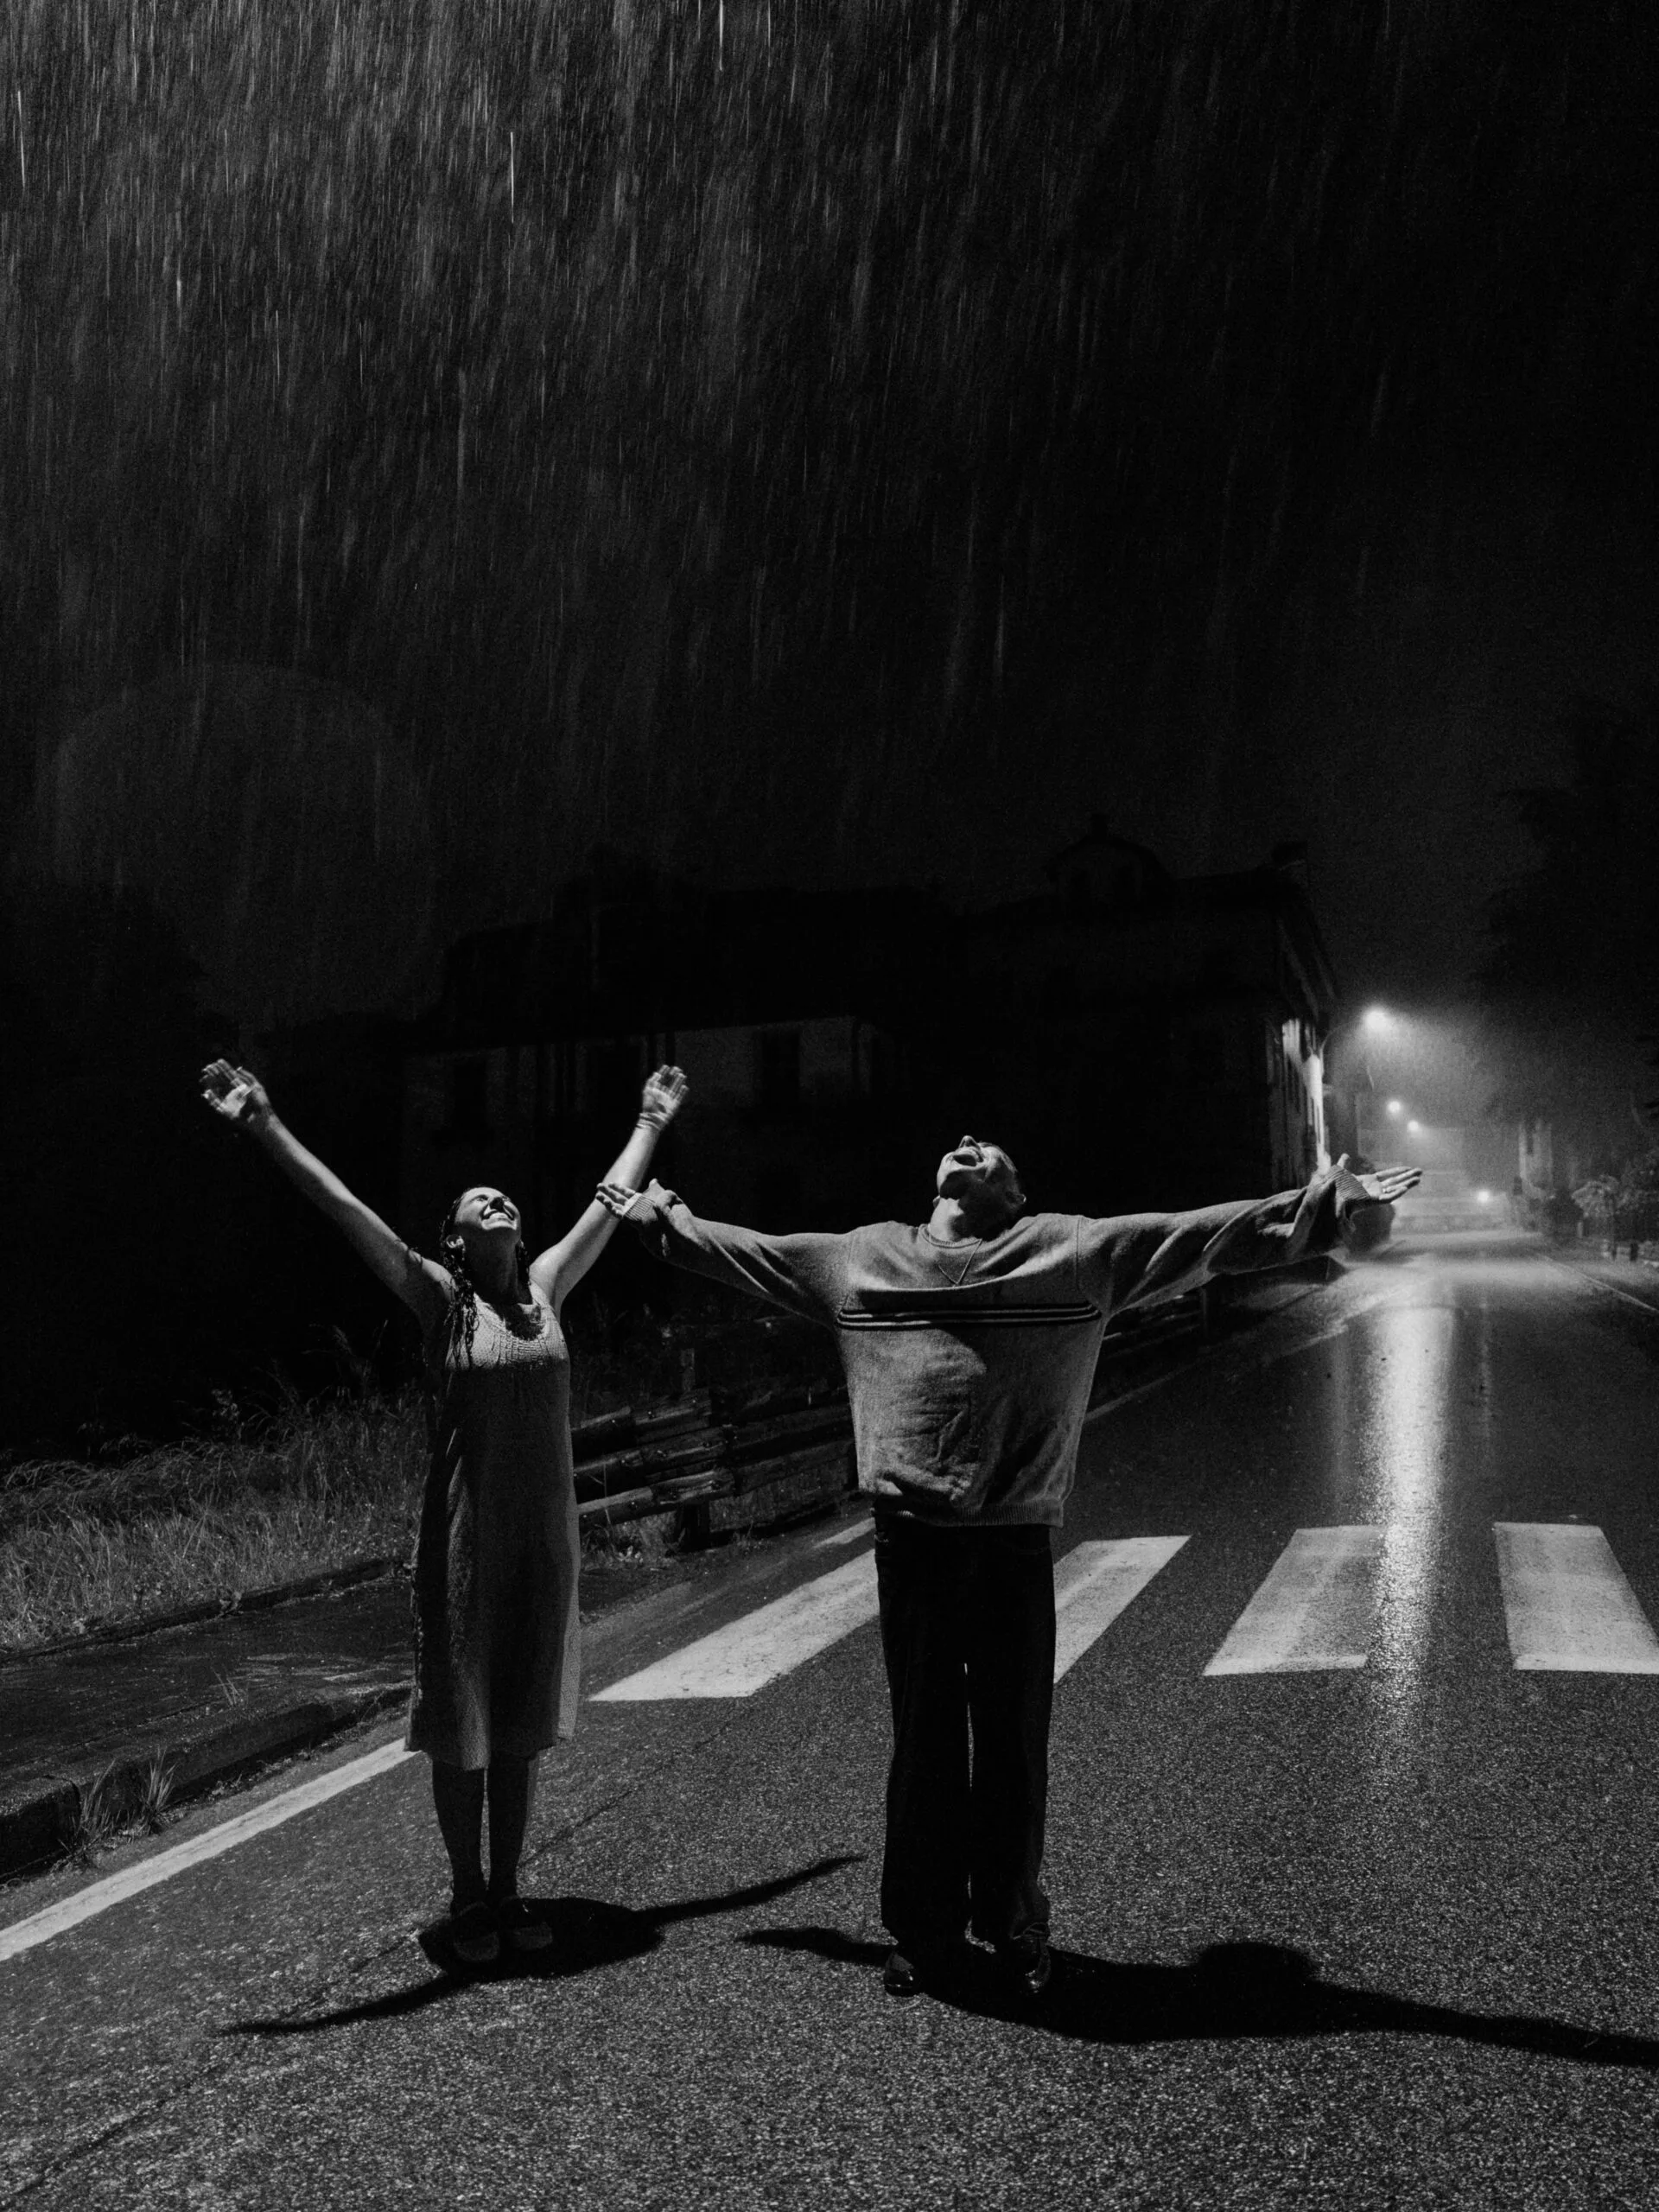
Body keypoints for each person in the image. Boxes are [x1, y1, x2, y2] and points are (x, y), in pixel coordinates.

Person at [597, 1135, 1419, 2000]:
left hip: (1013, 1537)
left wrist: (1328, 1203)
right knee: (924, 1743)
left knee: (1013, 1740)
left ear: (1016, 1193)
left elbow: (1203, 1236)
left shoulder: (1072, 1252)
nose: (965, 1142)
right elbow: (744, 1254)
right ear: (934, 1182)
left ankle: (1013, 1920)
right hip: (910, 1538)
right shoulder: (862, 1257)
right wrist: (658, 1214)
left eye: (988, 1149)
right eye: (957, 1145)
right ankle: (923, 1929)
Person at [200, 1054, 688, 1967]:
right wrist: (263, 1121)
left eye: (503, 1195)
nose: (497, 1199)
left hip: (544, 1542)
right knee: (464, 1719)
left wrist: (651, 1120)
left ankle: (510, 1887)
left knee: (522, 1718)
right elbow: (346, 1211)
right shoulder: (438, 1298)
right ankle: (467, 1895)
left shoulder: (546, 1287)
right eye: (477, 1199)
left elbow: (610, 1206)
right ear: (456, 1239)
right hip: (468, 1540)